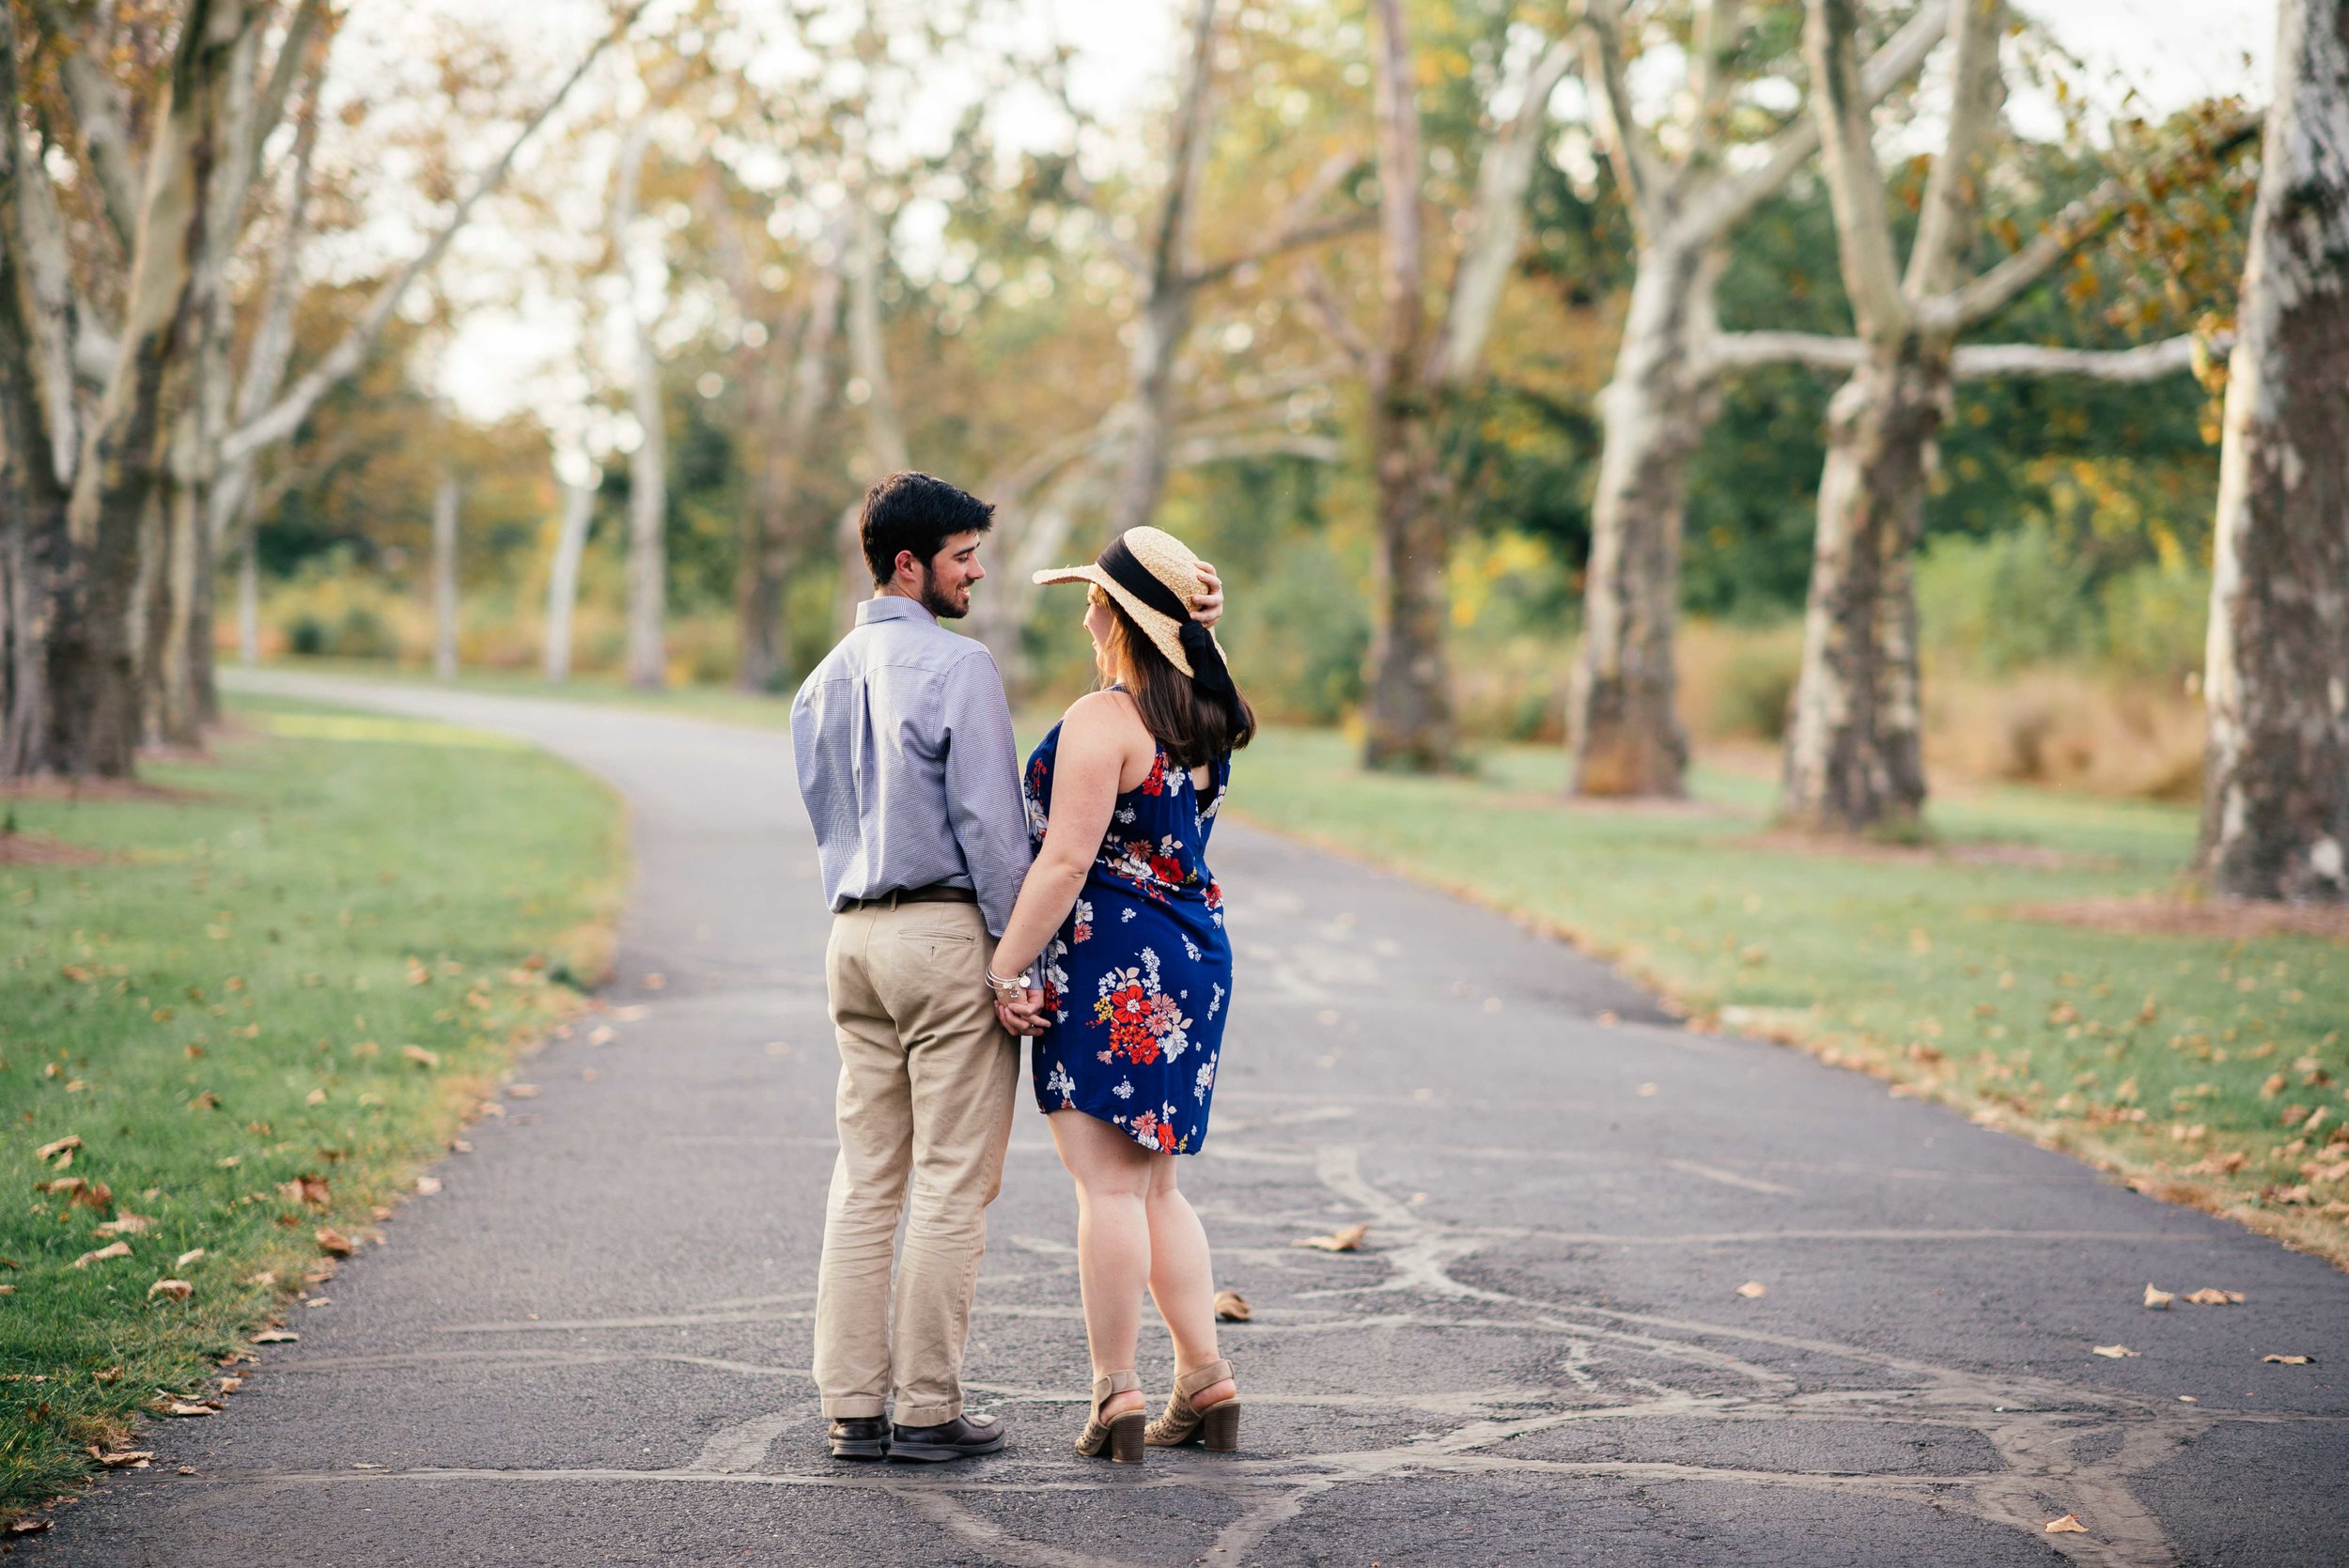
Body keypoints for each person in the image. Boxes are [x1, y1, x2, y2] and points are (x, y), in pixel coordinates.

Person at [789, 474, 1220, 1464]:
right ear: (909, 563)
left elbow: (825, 818)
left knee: (865, 1178)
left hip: (851, 938)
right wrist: (1010, 965)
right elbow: (993, 829)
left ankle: (853, 1406)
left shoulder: (821, 679)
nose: (977, 571)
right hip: (947, 936)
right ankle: (928, 1407)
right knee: (949, 1181)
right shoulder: (959, 667)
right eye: (962, 556)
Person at [985, 524, 1252, 1466]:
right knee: (1157, 1188)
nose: (1086, 607)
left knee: (1105, 1187)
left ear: (1119, 615)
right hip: (1194, 956)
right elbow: (1203, 666)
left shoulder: (1107, 719)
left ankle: (1115, 1391)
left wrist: (1007, 967)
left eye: (1096, 594)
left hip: (1110, 963)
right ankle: (1204, 1375)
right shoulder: (1206, 714)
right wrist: (1204, 630)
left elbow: (1063, 861)